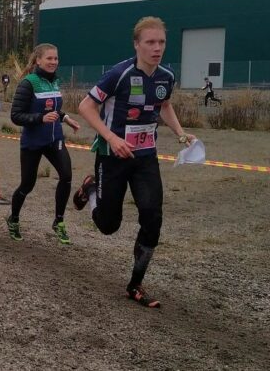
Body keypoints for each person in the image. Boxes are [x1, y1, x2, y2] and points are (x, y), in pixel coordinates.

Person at [73, 16, 196, 309]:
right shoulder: (119, 74)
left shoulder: (166, 76)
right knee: (108, 225)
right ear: (137, 45)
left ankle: (135, 284)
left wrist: (181, 134)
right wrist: (111, 138)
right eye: (150, 42)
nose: (157, 48)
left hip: (145, 158)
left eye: (161, 42)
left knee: (153, 216)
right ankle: (90, 190)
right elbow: (86, 106)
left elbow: (164, 106)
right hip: (112, 156)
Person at [6, 44, 81, 244]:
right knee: (27, 184)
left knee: (66, 176)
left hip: (54, 139)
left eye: (56, 58)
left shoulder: (54, 82)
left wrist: (66, 118)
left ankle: (59, 221)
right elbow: (16, 116)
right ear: (38, 60)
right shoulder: (28, 83)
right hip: (33, 142)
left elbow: (53, 109)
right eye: (49, 58)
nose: (53, 62)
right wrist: (40, 118)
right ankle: (14, 219)